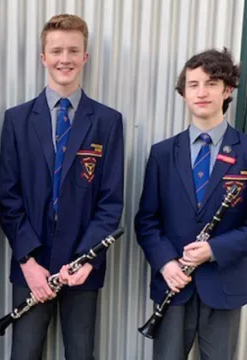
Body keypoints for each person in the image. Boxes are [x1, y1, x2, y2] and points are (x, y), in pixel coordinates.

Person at [0, 14, 124, 360]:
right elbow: (8, 199)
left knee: (81, 353)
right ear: (43, 58)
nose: (64, 59)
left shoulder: (107, 122)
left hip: (83, 267)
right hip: (32, 265)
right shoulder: (17, 119)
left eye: (73, 50)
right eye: (56, 51)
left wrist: (87, 259)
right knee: (24, 353)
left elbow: (110, 202)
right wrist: (27, 261)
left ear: (85, 57)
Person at [135, 48, 246, 360]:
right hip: (174, 282)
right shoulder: (162, 153)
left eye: (211, 83)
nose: (202, 92)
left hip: (224, 284)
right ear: (183, 93)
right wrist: (167, 264)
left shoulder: (246, 151)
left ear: (227, 90)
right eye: (193, 84)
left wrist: (214, 250)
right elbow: (146, 221)